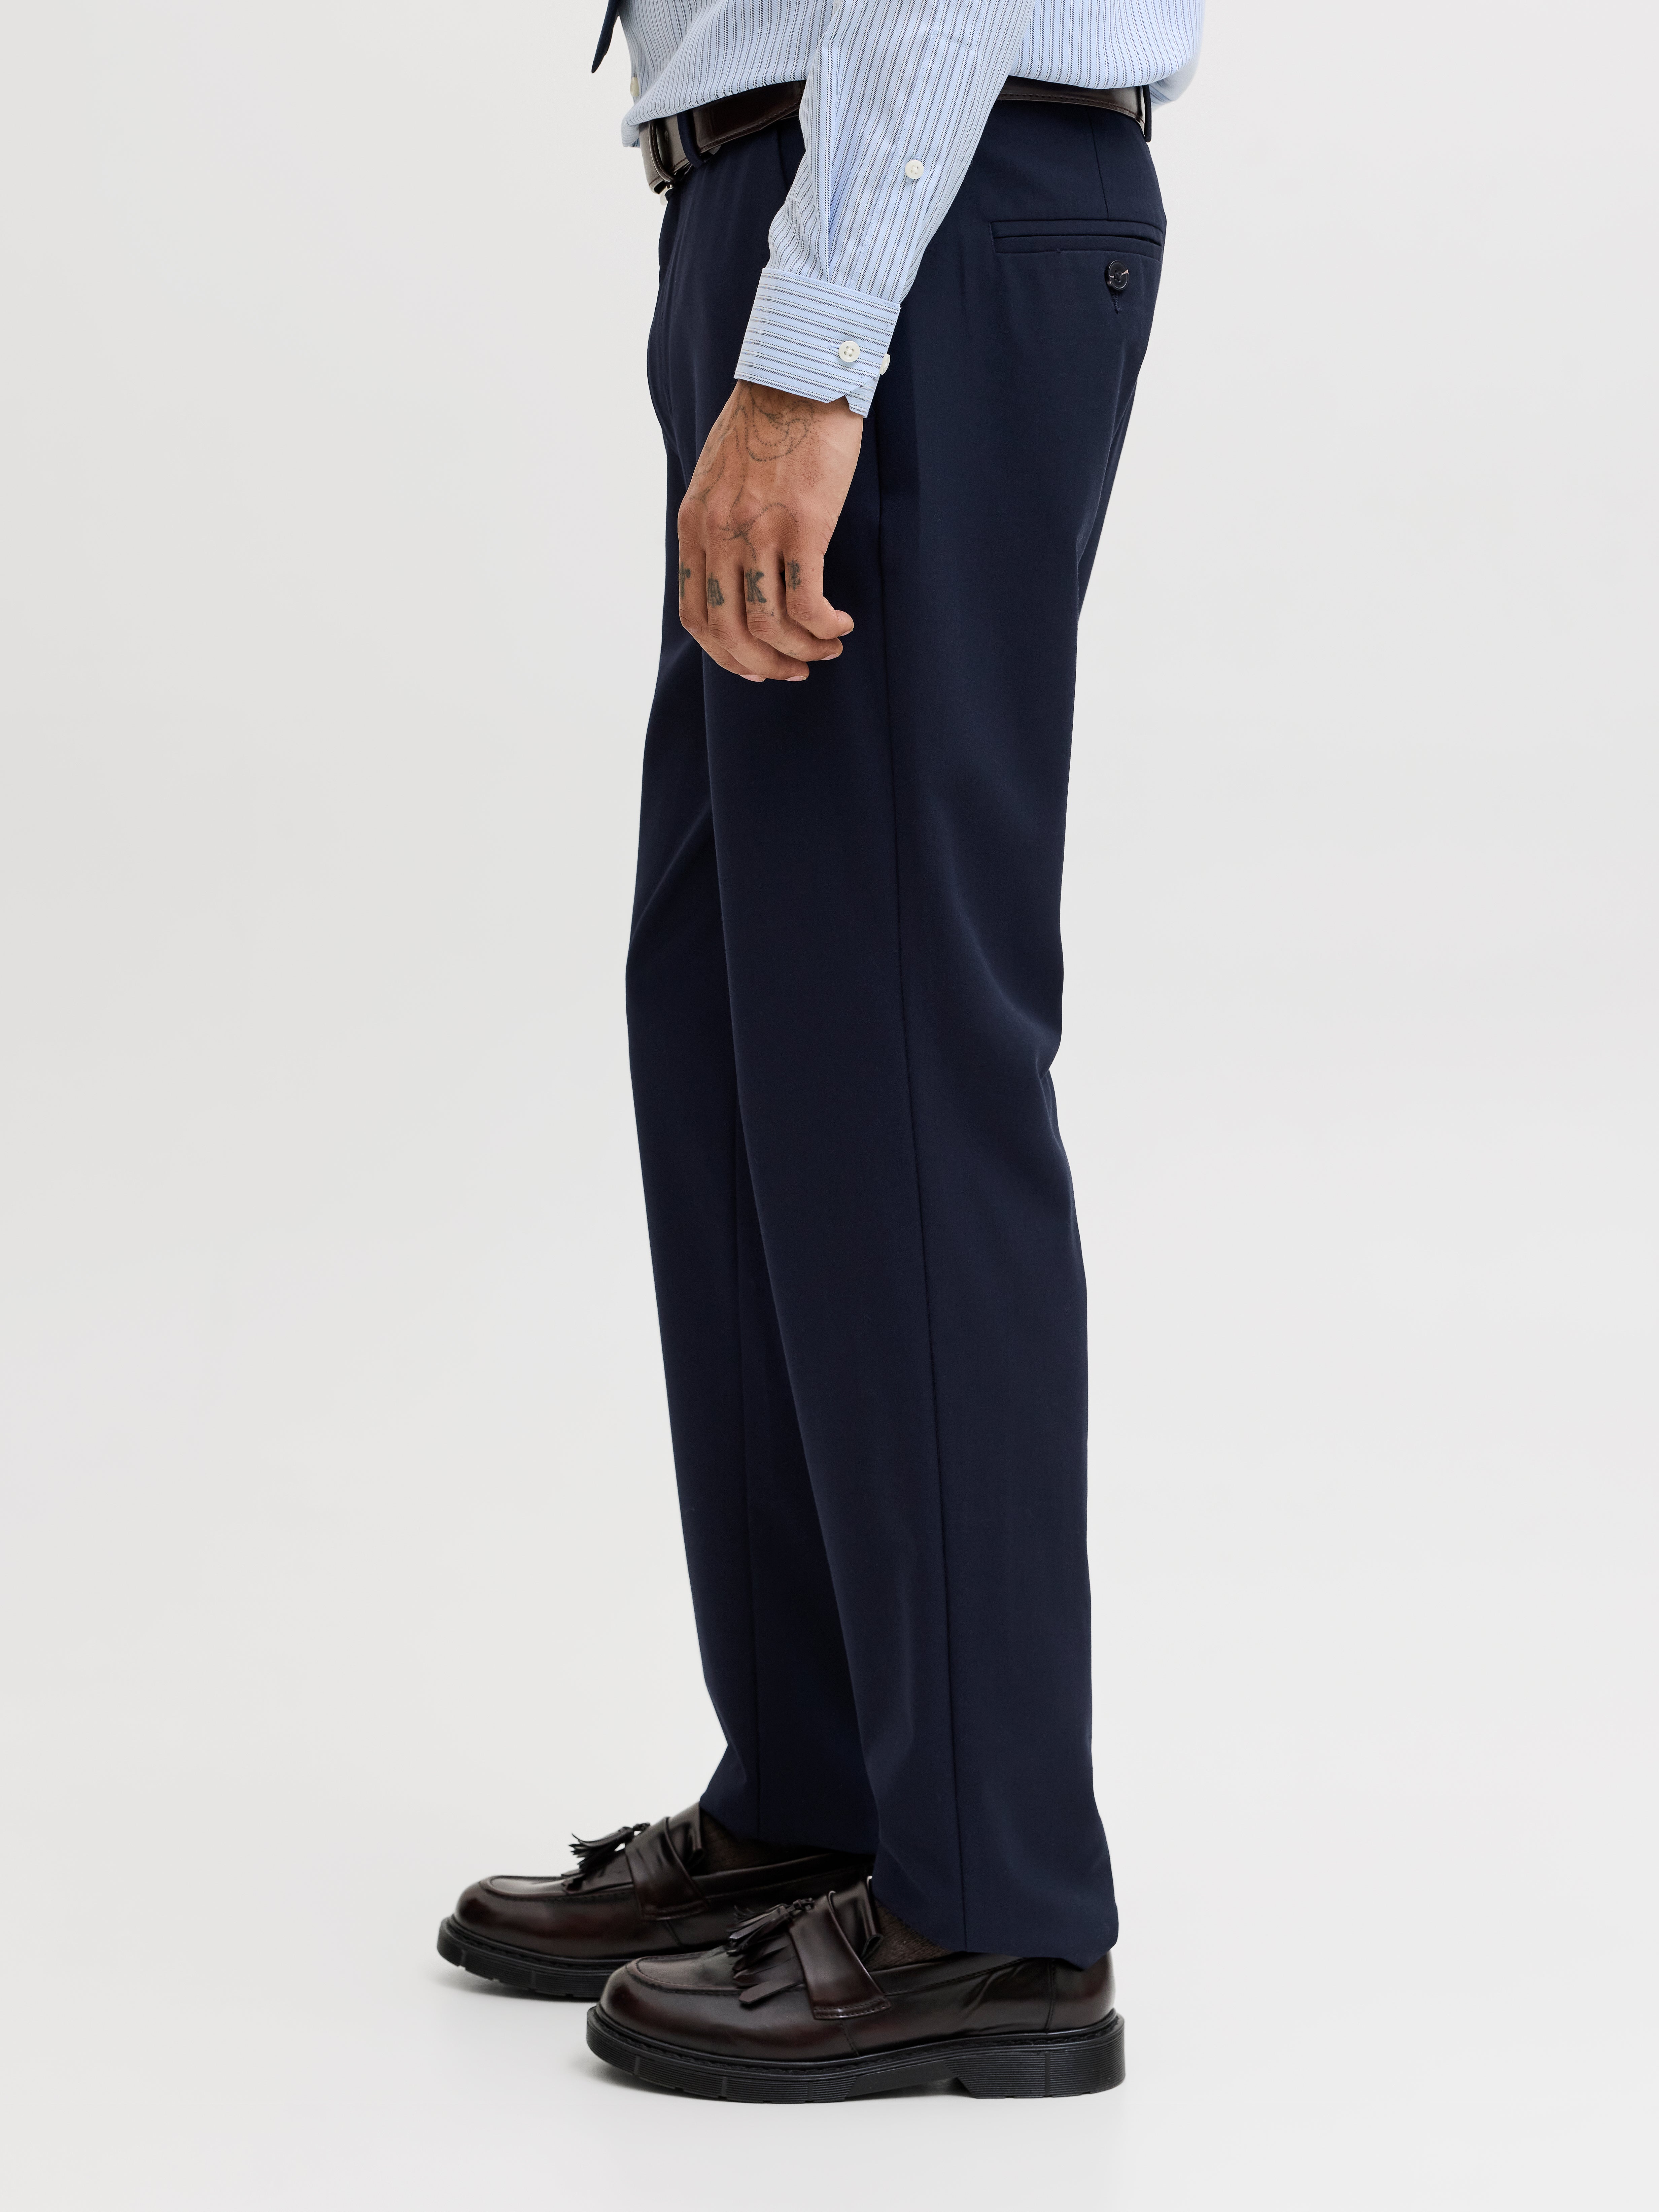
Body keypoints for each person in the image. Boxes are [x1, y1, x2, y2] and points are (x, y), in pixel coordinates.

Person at [438, 0, 1203, 2102]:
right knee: (735, 1030)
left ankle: (991, 1903)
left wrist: (813, 341)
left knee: (889, 1052)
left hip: (908, 203)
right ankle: (813, 1792)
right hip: (799, 205)